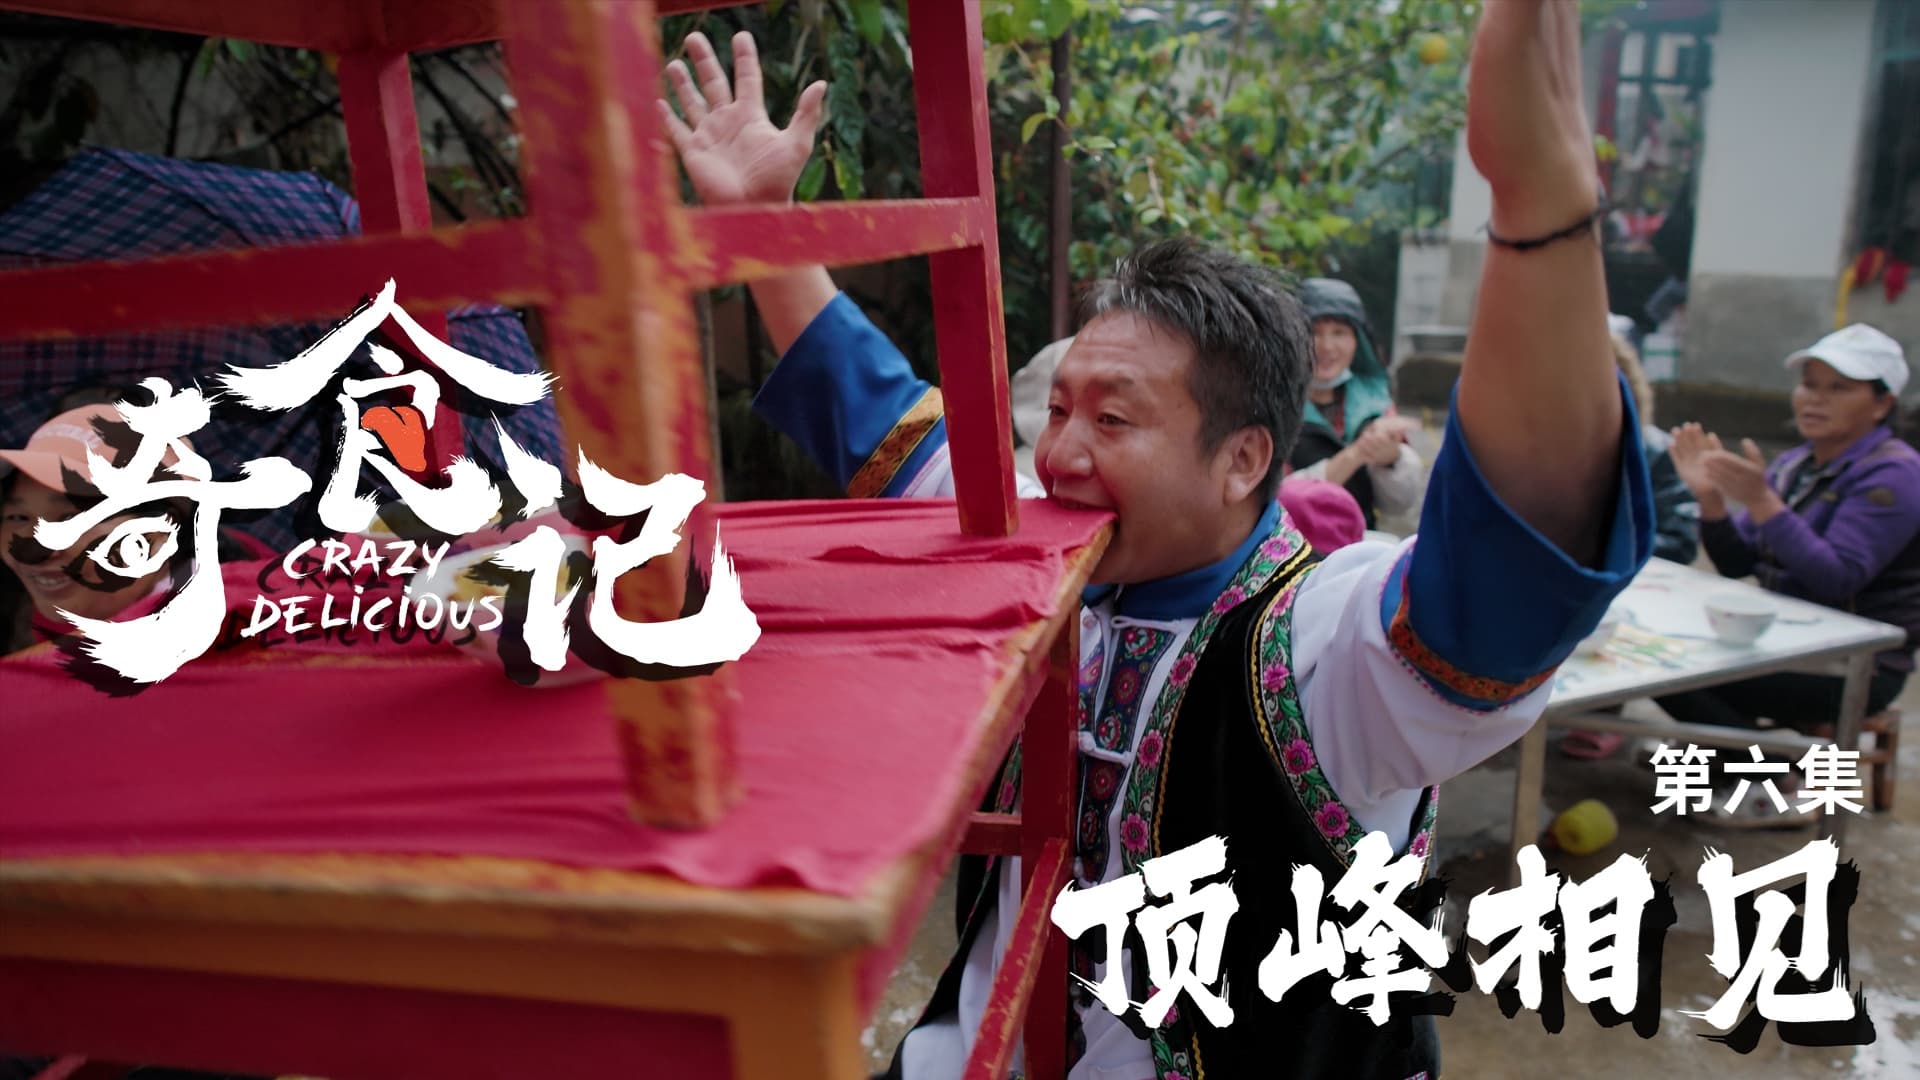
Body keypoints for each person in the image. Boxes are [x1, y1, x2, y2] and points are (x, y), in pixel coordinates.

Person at [660, 4, 1651, 1075]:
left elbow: (1513, 568)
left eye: (1114, 419)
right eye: (1059, 412)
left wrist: (1540, 211)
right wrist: (764, 228)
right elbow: (880, 418)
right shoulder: (1043, 557)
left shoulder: (1321, 647)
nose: (1060, 454)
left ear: (1243, 459)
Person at [1658, 323, 1920, 820]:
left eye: (1839, 388)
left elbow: (1837, 577)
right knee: (1658, 652)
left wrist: (1762, 502)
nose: (1815, 399)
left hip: (1857, 664)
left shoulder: (1896, 474)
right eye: (1809, 384)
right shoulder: (1794, 465)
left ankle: (1780, 777)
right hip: (1784, 641)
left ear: (1882, 404)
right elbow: (1736, 563)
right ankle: (1741, 760)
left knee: (1676, 674)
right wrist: (1710, 500)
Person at [1286, 277, 1423, 529]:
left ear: (1357, 342)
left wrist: (1391, 460)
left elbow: (1399, 505)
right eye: (1314, 332)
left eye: (1339, 332)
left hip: (1359, 543)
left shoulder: (1375, 402)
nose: (1326, 346)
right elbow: (1277, 500)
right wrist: (1357, 453)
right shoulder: (1271, 405)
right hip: (1289, 546)